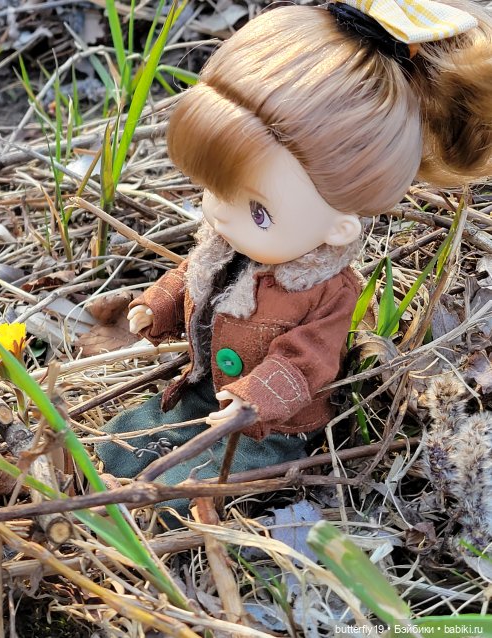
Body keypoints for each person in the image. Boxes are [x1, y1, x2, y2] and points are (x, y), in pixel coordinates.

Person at [97, 0, 492, 519]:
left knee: (199, 477)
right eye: (214, 189)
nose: (221, 214)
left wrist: (256, 400)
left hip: (270, 426)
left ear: (339, 226)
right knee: (127, 436)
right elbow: (191, 278)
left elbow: (309, 359)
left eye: (258, 211)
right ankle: (104, 476)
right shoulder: (223, 251)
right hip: (203, 391)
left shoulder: (326, 290)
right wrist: (157, 304)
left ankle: (160, 508)